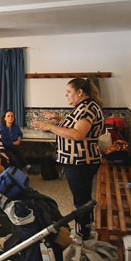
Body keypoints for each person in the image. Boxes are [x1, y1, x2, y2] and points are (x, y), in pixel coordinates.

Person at [33, 78, 104, 239]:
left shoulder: (87, 108)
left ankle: (83, 234)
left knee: (81, 201)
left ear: (79, 92)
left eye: (69, 92)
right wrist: (57, 119)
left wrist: (48, 126)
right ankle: (85, 227)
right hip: (79, 160)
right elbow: (75, 125)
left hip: (81, 161)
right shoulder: (84, 106)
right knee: (82, 199)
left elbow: (78, 134)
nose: (66, 96)